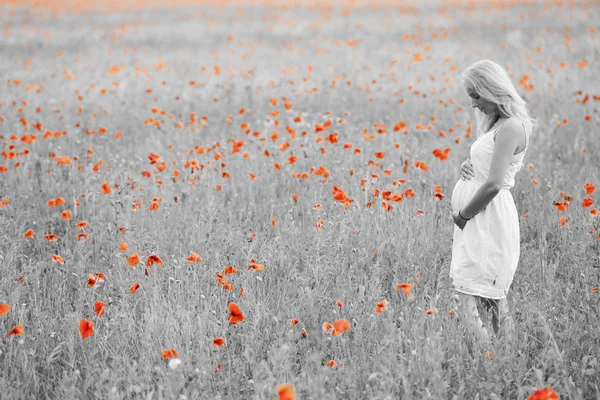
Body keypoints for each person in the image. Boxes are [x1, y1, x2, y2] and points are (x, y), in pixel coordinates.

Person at [450, 59, 535, 350]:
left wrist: (463, 214)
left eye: (476, 96)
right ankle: (504, 358)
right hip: (481, 217)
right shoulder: (500, 124)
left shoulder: (512, 127)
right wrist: (468, 165)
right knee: (490, 296)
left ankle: (490, 358)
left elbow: (495, 183)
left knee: (471, 296)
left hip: (485, 218)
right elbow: (489, 167)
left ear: (492, 89)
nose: (473, 104)